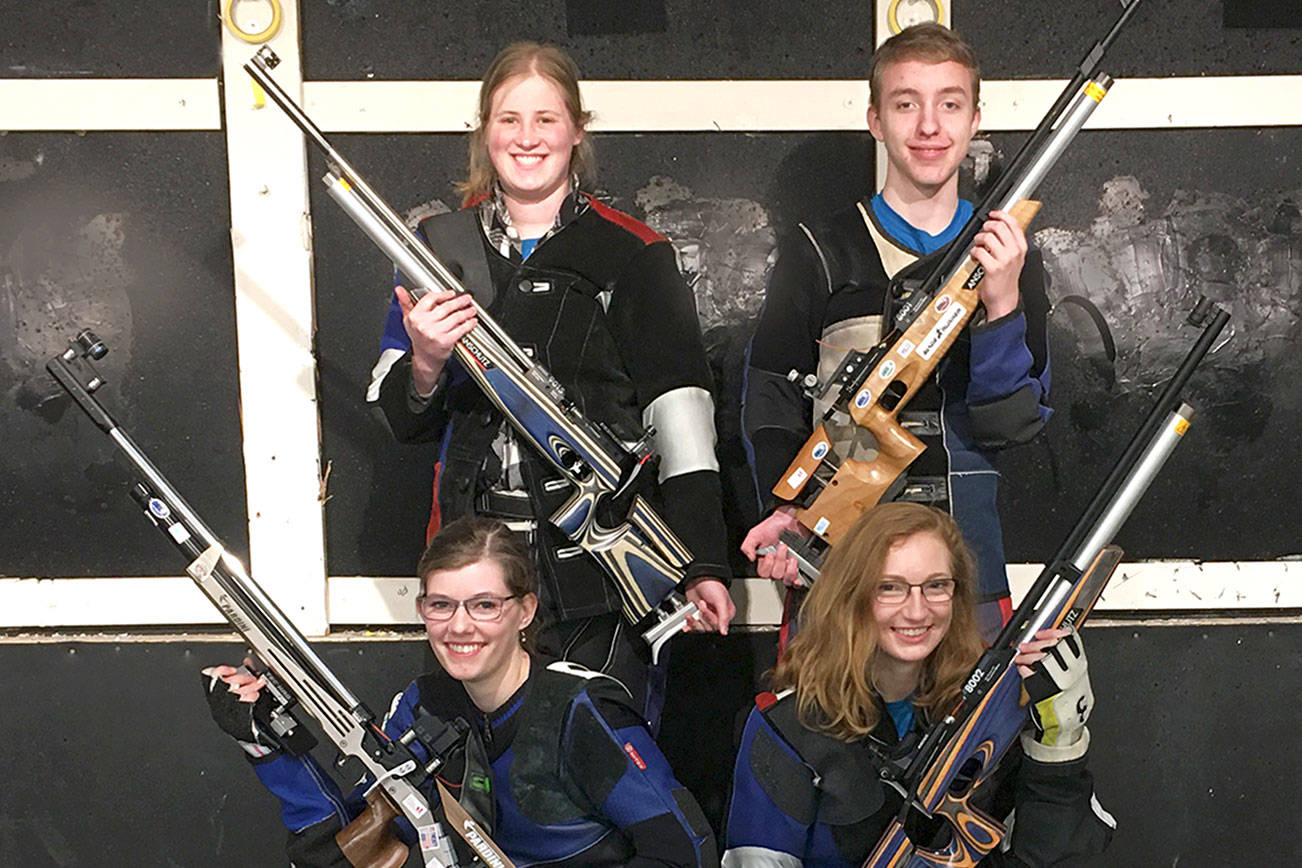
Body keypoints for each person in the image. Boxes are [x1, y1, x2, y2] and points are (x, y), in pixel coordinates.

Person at [367, 41, 735, 724]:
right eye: (509, 119)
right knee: (480, 760)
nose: (527, 138)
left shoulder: (634, 252)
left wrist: (704, 562)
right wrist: (425, 360)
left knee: (600, 753)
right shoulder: (435, 247)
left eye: (546, 119)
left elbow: (682, 419)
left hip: (598, 572)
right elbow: (398, 416)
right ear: (485, 131)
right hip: (473, 574)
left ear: (577, 131)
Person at [740, 23, 1051, 640]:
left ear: (975, 120)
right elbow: (769, 393)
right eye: (906, 104)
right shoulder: (819, 249)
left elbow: (1012, 424)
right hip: (841, 560)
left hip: (967, 566)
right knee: (823, 702)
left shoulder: (1010, 254)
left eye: (950, 105)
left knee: (975, 706)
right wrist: (785, 506)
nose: (929, 126)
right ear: (875, 121)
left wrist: (1001, 304)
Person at [203, 516, 719, 867]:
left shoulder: (581, 711)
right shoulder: (424, 706)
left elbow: (686, 850)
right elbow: (345, 851)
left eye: (485, 605)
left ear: (525, 611)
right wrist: (268, 748)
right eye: (441, 605)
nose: (459, 626)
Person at [722, 503, 1113, 866]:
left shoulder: (988, 708)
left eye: (936, 585)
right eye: (889, 587)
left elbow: (1059, 856)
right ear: (852, 596)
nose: (916, 610)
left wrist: (1060, 744)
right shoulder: (790, 727)